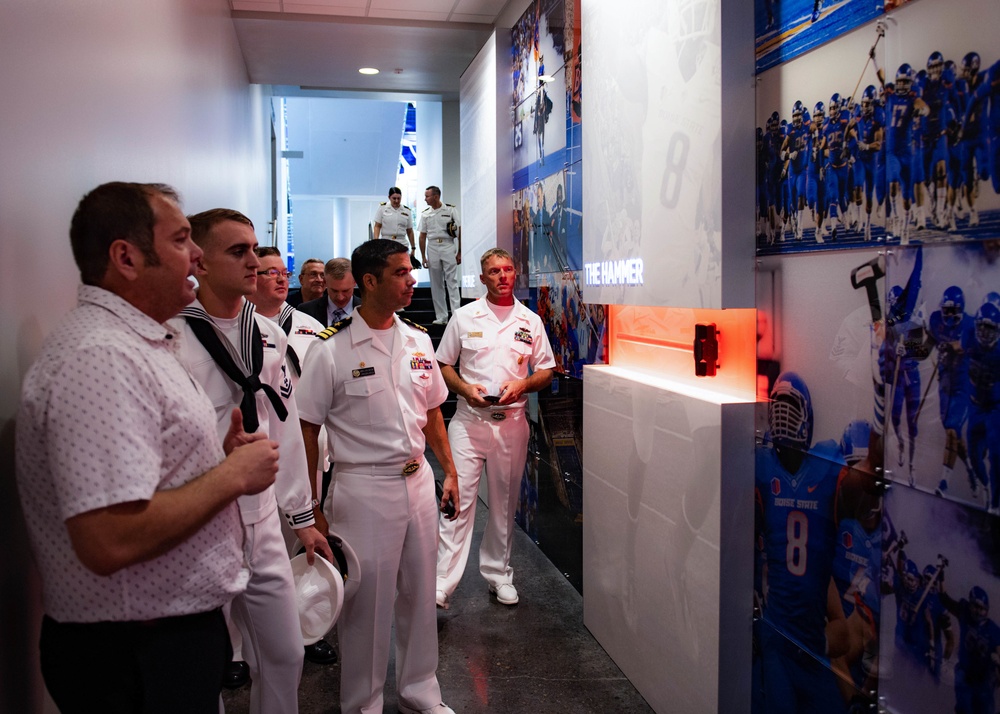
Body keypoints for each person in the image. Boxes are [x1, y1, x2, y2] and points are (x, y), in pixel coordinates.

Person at [14, 182, 279, 713]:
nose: (198, 255)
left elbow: (148, 472)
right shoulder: (101, 358)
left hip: (160, 640)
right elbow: (107, 538)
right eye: (183, 239)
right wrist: (232, 477)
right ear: (127, 257)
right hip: (135, 651)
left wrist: (216, 459)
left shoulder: (138, 341)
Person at [170, 208, 332, 714]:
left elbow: (280, 427)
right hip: (202, 517)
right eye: (236, 252)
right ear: (200, 261)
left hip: (261, 518)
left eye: (254, 249)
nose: (254, 263)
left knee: (285, 653)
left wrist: (302, 517)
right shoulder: (171, 338)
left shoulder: (268, 334)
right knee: (203, 665)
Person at [298, 239, 461, 714]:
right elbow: (307, 430)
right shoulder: (332, 351)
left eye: (411, 271)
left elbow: (432, 412)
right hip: (362, 488)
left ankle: (420, 693)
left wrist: (448, 470)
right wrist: (310, 508)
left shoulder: (418, 340)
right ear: (369, 281)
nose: (413, 280)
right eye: (401, 272)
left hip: (417, 484)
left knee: (419, 593)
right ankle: (363, 704)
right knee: (366, 607)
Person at [434, 248, 555, 608]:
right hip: (469, 422)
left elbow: (547, 370)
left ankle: (499, 574)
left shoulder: (529, 320)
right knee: (457, 501)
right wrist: (464, 389)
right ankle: (443, 581)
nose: (502, 276)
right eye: (494, 271)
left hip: (512, 422)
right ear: (483, 277)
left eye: (507, 270)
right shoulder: (464, 316)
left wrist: (523, 385)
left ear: (514, 274)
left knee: (504, 502)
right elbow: (443, 364)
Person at [247, 246, 338, 665]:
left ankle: (304, 627)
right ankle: (238, 650)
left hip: (305, 438)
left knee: (301, 540)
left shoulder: (309, 325)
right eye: (269, 273)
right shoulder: (237, 326)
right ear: (252, 278)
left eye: (283, 273)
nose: (280, 280)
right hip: (259, 444)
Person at [418, 185, 461, 325]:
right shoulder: (425, 214)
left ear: (436, 196)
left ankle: (456, 316)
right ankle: (441, 316)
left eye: (427, 196)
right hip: (432, 247)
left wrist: (460, 251)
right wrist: (423, 256)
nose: (425, 199)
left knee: (452, 281)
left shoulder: (450, 209)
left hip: (448, 245)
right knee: (436, 283)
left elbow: (459, 232)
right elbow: (422, 236)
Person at [297, 257, 360, 327]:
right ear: (325, 282)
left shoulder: (369, 311)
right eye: (334, 291)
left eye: (345, 291)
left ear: (355, 282)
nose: (340, 298)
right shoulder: (306, 311)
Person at [372, 186, 417, 256]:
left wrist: (413, 247)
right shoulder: (382, 208)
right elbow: (377, 226)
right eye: (394, 198)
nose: (396, 201)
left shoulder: (406, 211)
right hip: (386, 242)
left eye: (399, 198)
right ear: (389, 197)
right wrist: (376, 242)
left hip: (402, 242)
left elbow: (410, 231)